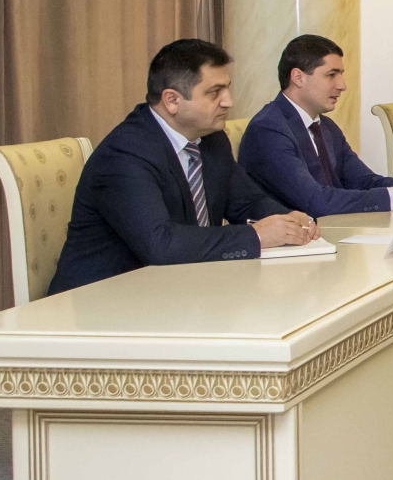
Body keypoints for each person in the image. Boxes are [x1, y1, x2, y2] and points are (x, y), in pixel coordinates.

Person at [49, 39, 318, 294]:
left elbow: (246, 202)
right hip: (103, 301)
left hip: (181, 290)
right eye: (214, 92)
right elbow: (160, 244)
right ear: (172, 100)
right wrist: (256, 236)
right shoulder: (124, 153)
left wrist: (289, 219)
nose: (228, 101)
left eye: (227, 88)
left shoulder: (211, 138)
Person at [239, 34, 393, 217]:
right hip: (294, 237)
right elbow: (315, 201)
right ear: (298, 77)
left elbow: (362, 180)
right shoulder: (268, 129)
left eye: (341, 74)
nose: (342, 85)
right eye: (331, 75)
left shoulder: (326, 126)